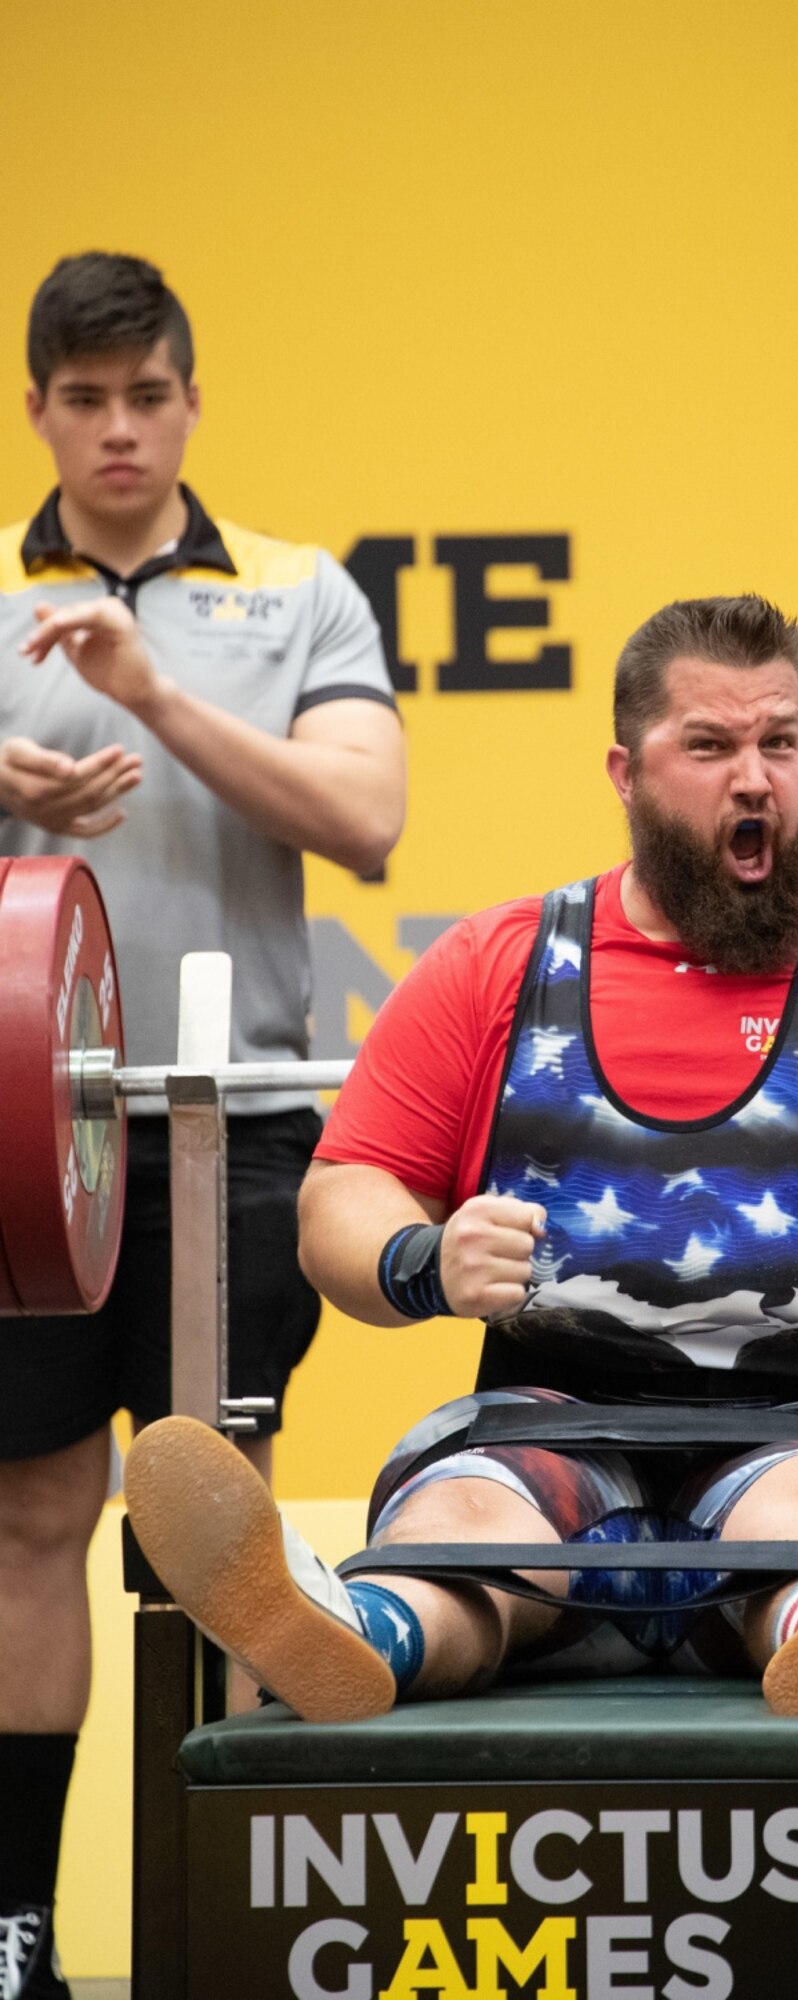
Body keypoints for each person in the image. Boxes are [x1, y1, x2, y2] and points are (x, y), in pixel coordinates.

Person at [126, 593, 798, 1748]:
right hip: (547, 1421)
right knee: (464, 1527)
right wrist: (421, 1258)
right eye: (710, 745)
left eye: (780, 741)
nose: (755, 778)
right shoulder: (498, 963)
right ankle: (354, 1628)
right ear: (625, 772)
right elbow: (343, 1193)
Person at [0, 252, 405, 1996]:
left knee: (212, 1519)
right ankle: (17, 1922)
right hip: (21, 1141)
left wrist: (154, 700)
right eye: (81, 401)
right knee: (27, 1520)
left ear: (189, 398)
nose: (115, 432)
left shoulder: (298, 593)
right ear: (35, 412)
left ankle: (236, 1929)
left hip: (226, 1123)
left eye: (144, 396)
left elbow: (367, 817)